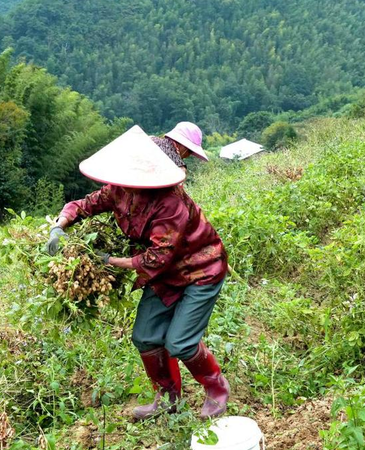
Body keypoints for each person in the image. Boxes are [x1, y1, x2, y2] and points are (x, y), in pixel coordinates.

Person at [46, 122, 230, 419]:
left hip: (200, 271)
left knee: (180, 341)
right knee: (145, 336)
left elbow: (156, 258)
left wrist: (105, 262)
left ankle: (217, 388)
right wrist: (59, 225)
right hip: (165, 277)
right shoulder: (120, 190)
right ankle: (169, 400)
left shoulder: (170, 203)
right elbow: (85, 204)